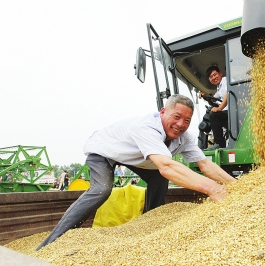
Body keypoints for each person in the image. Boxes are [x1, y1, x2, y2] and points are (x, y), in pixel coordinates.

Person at [36, 94, 236, 250]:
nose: (181, 124)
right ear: (162, 112)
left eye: (187, 120)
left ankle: (151, 224)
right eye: (176, 117)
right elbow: (167, 166)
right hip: (104, 151)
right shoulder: (147, 128)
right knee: (102, 189)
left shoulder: (185, 138)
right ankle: (53, 241)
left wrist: (236, 186)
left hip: (135, 157)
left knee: (158, 178)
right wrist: (213, 189)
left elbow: (205, 164)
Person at [199, 65, 228, 150]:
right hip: (227, 113)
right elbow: (215, 99)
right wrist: (205, 95)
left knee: (213, 115)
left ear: (220, 73)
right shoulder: (219, 87)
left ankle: (219, 143)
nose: (213, 77)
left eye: (215, 74)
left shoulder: (226, 80)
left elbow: (229, 93)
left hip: (232, 112)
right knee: (210, 114)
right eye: (211, 77)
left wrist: (219, 108)